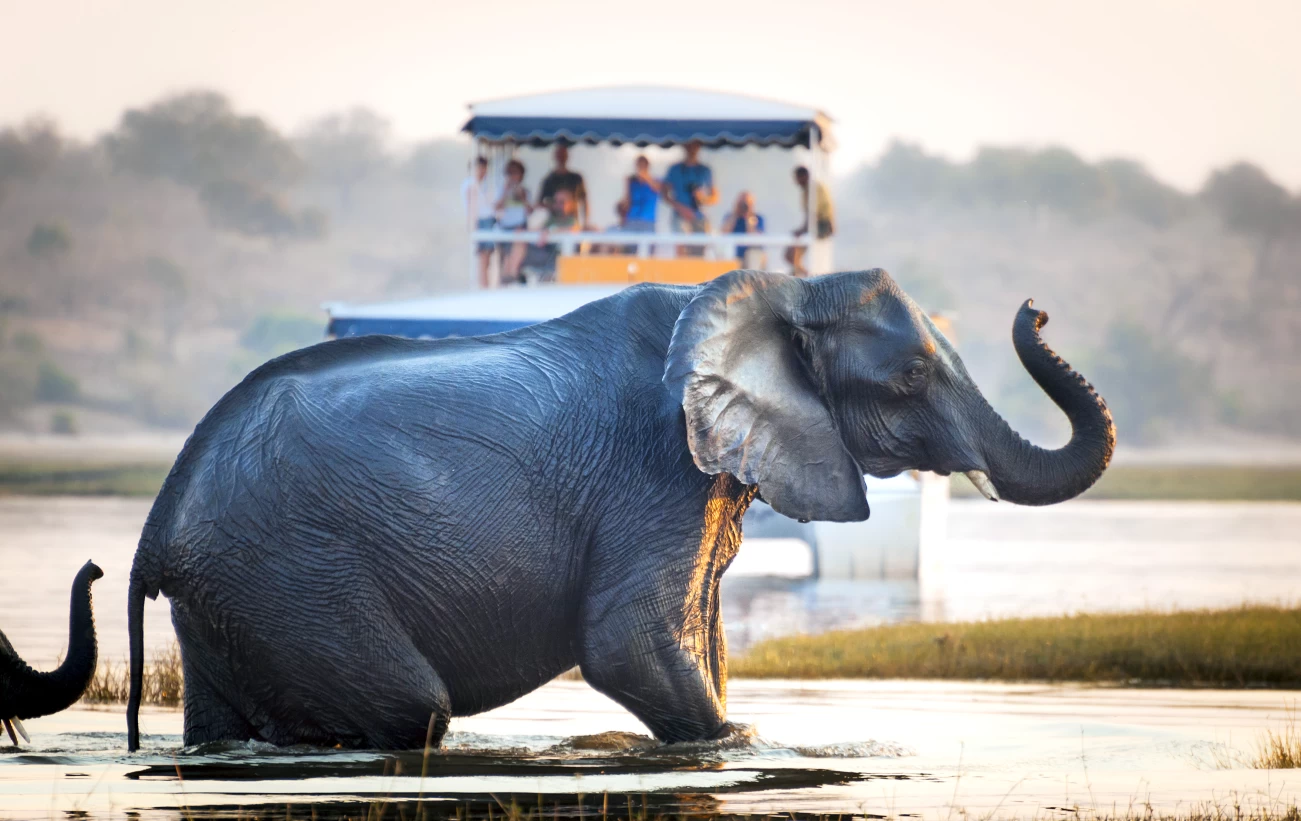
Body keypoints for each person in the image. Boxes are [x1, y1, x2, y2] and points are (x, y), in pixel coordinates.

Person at [507, 187, 580, 283]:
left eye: (562, 202)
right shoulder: (550, 219)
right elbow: (538, 230)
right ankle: (511, 278)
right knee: (515, 245)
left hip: (557, 259)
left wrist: (550, 231)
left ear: (571, 204)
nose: (558, 205)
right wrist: (524, 231)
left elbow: (573, 230)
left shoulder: (572, 220)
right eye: (556, 201)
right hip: (544, 253)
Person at [662, 140, 718, 256]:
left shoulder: (705, 170)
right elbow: (664, 194)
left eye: (695, 146)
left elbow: (715, 197)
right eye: (689, 146)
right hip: (680, 216)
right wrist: (681, 208)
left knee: (700, 250)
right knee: (681, 247)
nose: (692, 149)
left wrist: (702, 198)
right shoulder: (675, 170)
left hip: (699, 216)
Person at [785, 165, 836, 277]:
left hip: (822, 225)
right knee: (790, 255)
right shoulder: (808, 189)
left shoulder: (813, 189)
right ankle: (802, 274)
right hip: (816, 225)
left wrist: (802, 230)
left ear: (804, 176)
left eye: (797, 177)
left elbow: (814, 214)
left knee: (792, 254)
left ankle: (806, 276)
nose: (796, 181)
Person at [495, 159, 533, 285]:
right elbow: (497, 207)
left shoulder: (525, 192)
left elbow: (529, 210)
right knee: (504, 258)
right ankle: (505, 280)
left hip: (519, 227)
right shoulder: (502, 190)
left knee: (516, 254)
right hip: (505, 227)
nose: (512, 177)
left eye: (515, 173)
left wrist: (522, 197)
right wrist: (506, 192)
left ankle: (513, 275)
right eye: (509, 173)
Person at [461, 157, 496, 288]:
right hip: (481, 222)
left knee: (487, 256)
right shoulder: (471, 184)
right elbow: (471, 208)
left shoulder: (485, 184)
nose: (482, 171)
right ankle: (483, 285)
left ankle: (485, 283)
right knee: (483, 255)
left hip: (489, 221)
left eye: (484, 168)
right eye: (480, 168)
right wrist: (472, 225)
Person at [538, 143, 589, 227]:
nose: (561, 157)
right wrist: (555, 206)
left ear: (567, 156)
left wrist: (586, 223)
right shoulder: (549, 179)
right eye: (559, 155)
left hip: (572, 222)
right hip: (553, 222)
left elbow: (584, 202)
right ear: (555, 157)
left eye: (563, 154)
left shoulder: (577, 178)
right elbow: (540, 203)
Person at [721, 191, 766, 268]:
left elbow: (754, 238)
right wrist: (735, 214)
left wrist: (749, 217)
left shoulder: (758, 218)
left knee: (753, 255)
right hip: (733, 254)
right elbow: (724, 233)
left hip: (751, 255)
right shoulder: (730, 217)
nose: (744, 206)